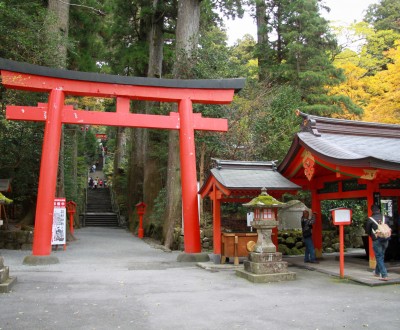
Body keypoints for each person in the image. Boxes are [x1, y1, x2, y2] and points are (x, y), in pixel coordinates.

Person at [366, 204, 389, 281]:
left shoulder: (370, 219)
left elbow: (368, 231)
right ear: (379, 210)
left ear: (371, 210)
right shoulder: (385, 217)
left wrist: (373, 236)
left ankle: (384, 275)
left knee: (379, 257)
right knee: (381, 256)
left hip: (377, 240)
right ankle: (376, 272)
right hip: (385, 239)